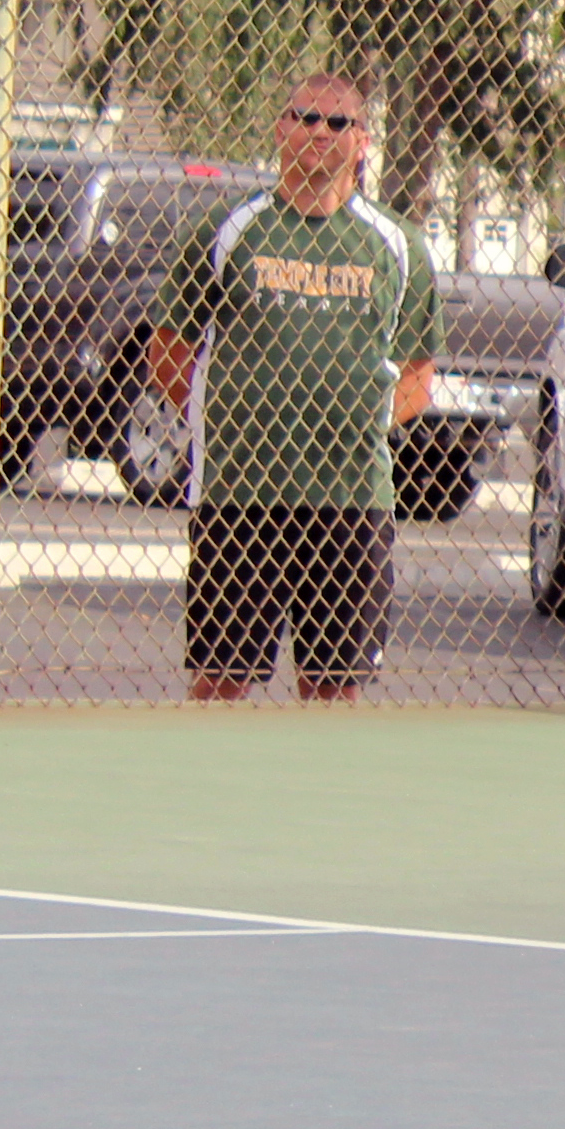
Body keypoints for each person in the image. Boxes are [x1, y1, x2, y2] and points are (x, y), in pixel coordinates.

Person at [143, 76, 440, 704]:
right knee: (220, 682)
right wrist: (215, 418)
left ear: (362, 142)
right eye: (305, 118)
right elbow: (168, 351)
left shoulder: (399, 245)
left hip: (351, 497)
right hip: (239, 493)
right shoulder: (229, 231)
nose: (319, 133)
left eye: (338, 124)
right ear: (280, 129)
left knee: (333, 689)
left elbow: (417, 375)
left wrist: (363, 423)